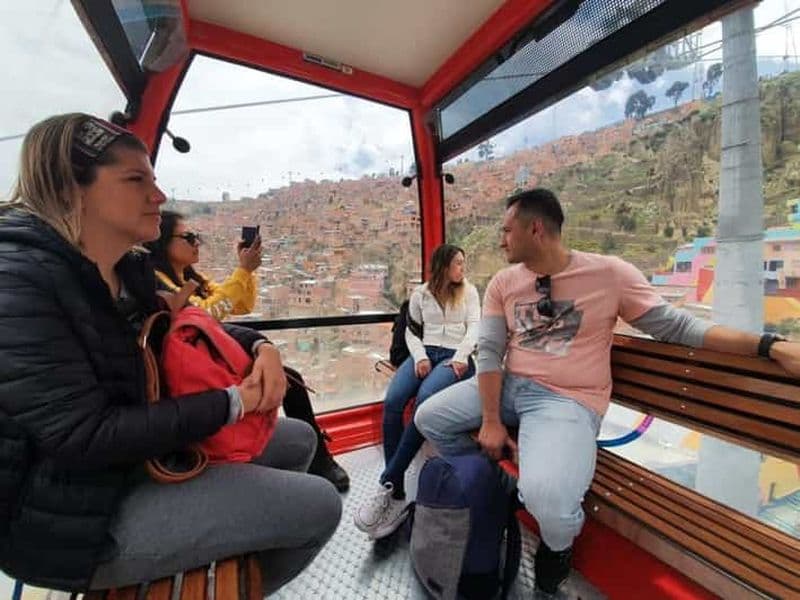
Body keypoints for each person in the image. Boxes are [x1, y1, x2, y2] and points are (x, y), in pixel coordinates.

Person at [0, 114, 342, 594]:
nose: (158, 195)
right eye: (136, 180)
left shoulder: (125, 273)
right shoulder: (19, 282)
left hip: (139, 459)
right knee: (320, 505)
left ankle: (236, 564)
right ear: (70, 189)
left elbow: (188, 324)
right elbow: (82, 435)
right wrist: (234, 401)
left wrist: (261, 346)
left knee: (300, 440)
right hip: (71, 517)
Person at [414, 188, 800, 594]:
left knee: (549, 502)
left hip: (564, 400)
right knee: (430, 418)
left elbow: (678, 326)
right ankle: (500, 486)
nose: (501, 240)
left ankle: (557, 548)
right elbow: (491, 352)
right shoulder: (504, 282)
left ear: (536, 229)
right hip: (510, 386)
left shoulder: (609, 275)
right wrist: (492, 421)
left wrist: (769, 345)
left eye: (507, 230)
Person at [144, 210, 350, 491]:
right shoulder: (159, 283)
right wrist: (242, 271)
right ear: (163, 242)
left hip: (212, 355)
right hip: (191, 370)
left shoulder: (192, 279)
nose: (196, 243)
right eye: (189, 237)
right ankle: (313, 460)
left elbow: (242, 305)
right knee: (287, 382)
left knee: (290, 379)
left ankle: (316, 457)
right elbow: (205, 315)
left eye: (197, 237)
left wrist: (247, 272)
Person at [354, 244, 480, 539]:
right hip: (425, 352)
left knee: (423, 402)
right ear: (443, 266)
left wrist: (461, 356)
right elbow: (411, 331)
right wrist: (420, 356)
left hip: (455, 358)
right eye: (458, 263)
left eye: (463, 263)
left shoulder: (470, 292)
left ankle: (388, 481)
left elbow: (474, 329)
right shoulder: (421, 294)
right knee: (394, 401)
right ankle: (397, 491)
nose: (462, 268)